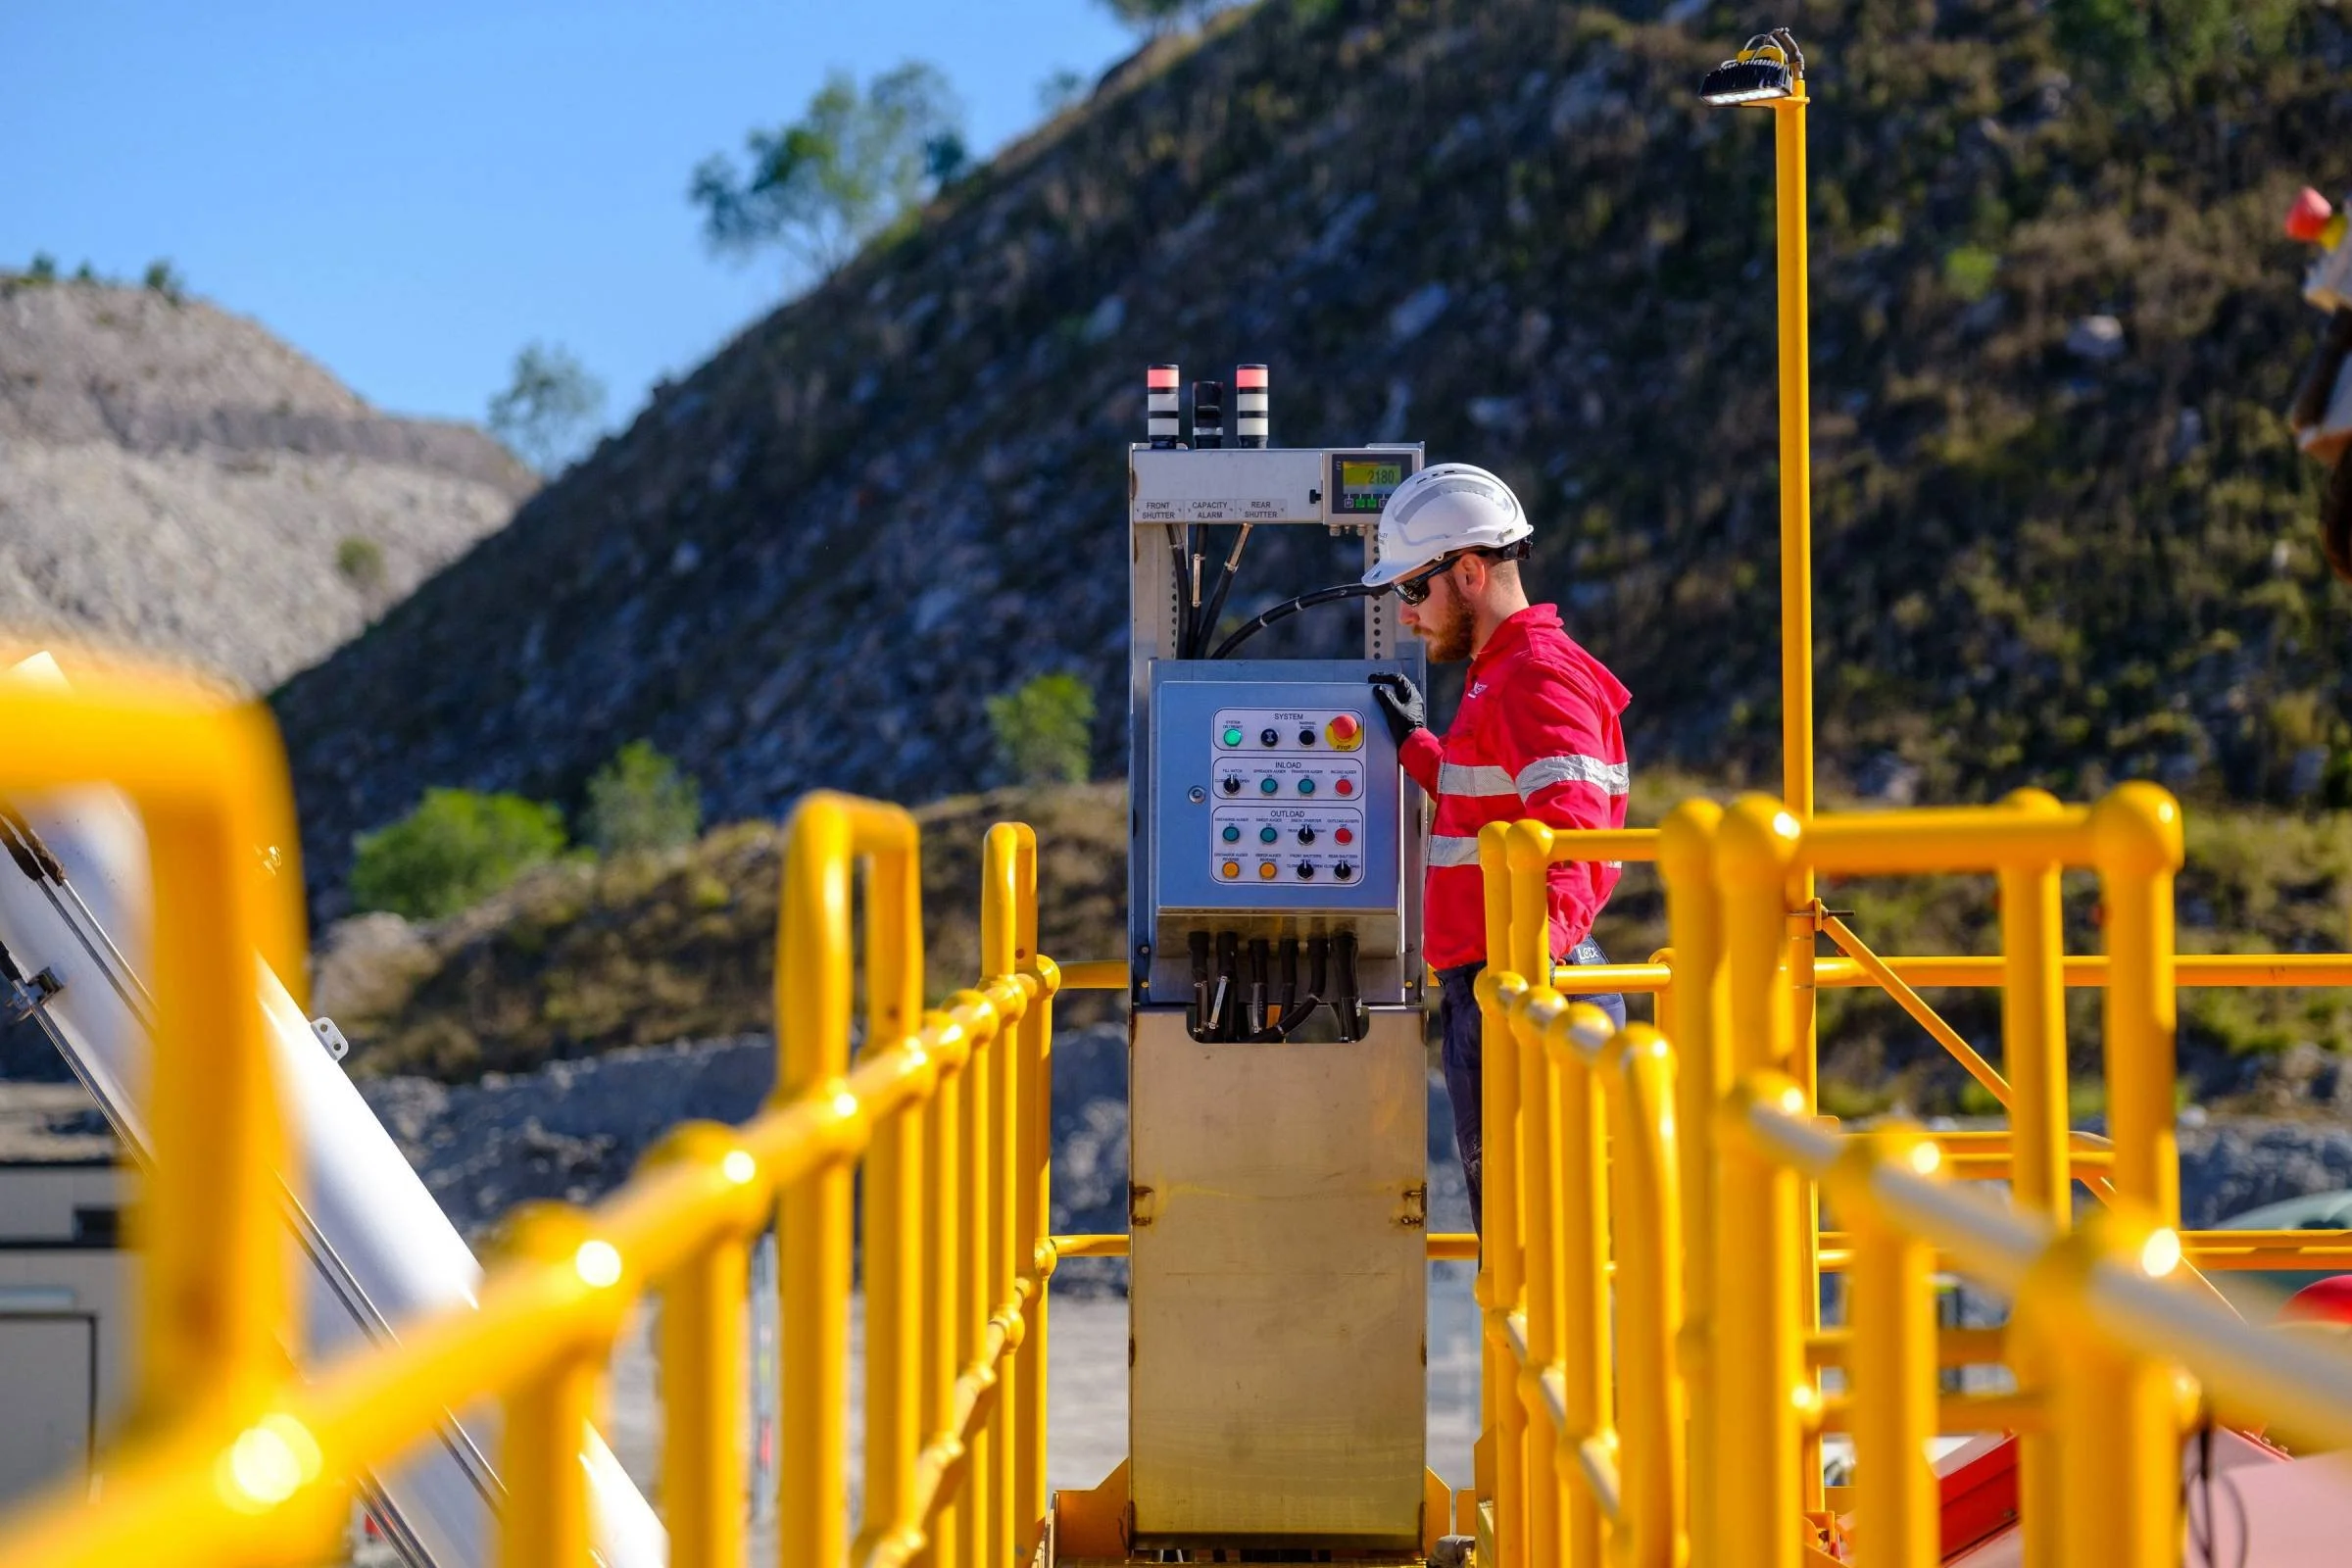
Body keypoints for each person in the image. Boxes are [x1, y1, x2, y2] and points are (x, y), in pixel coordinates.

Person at [1361, 463, 1631, 1234]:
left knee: (1539, 1259)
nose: (1407, 615)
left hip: (1522, 991)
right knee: (1522, 1267)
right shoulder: (1504, 675)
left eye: (1415, 590)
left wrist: (1527, 979)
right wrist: (1415, 746)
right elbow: (1497, 807)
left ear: (1470, 572)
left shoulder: (1535, 678)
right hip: (1499, 987)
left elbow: (1571, 835)